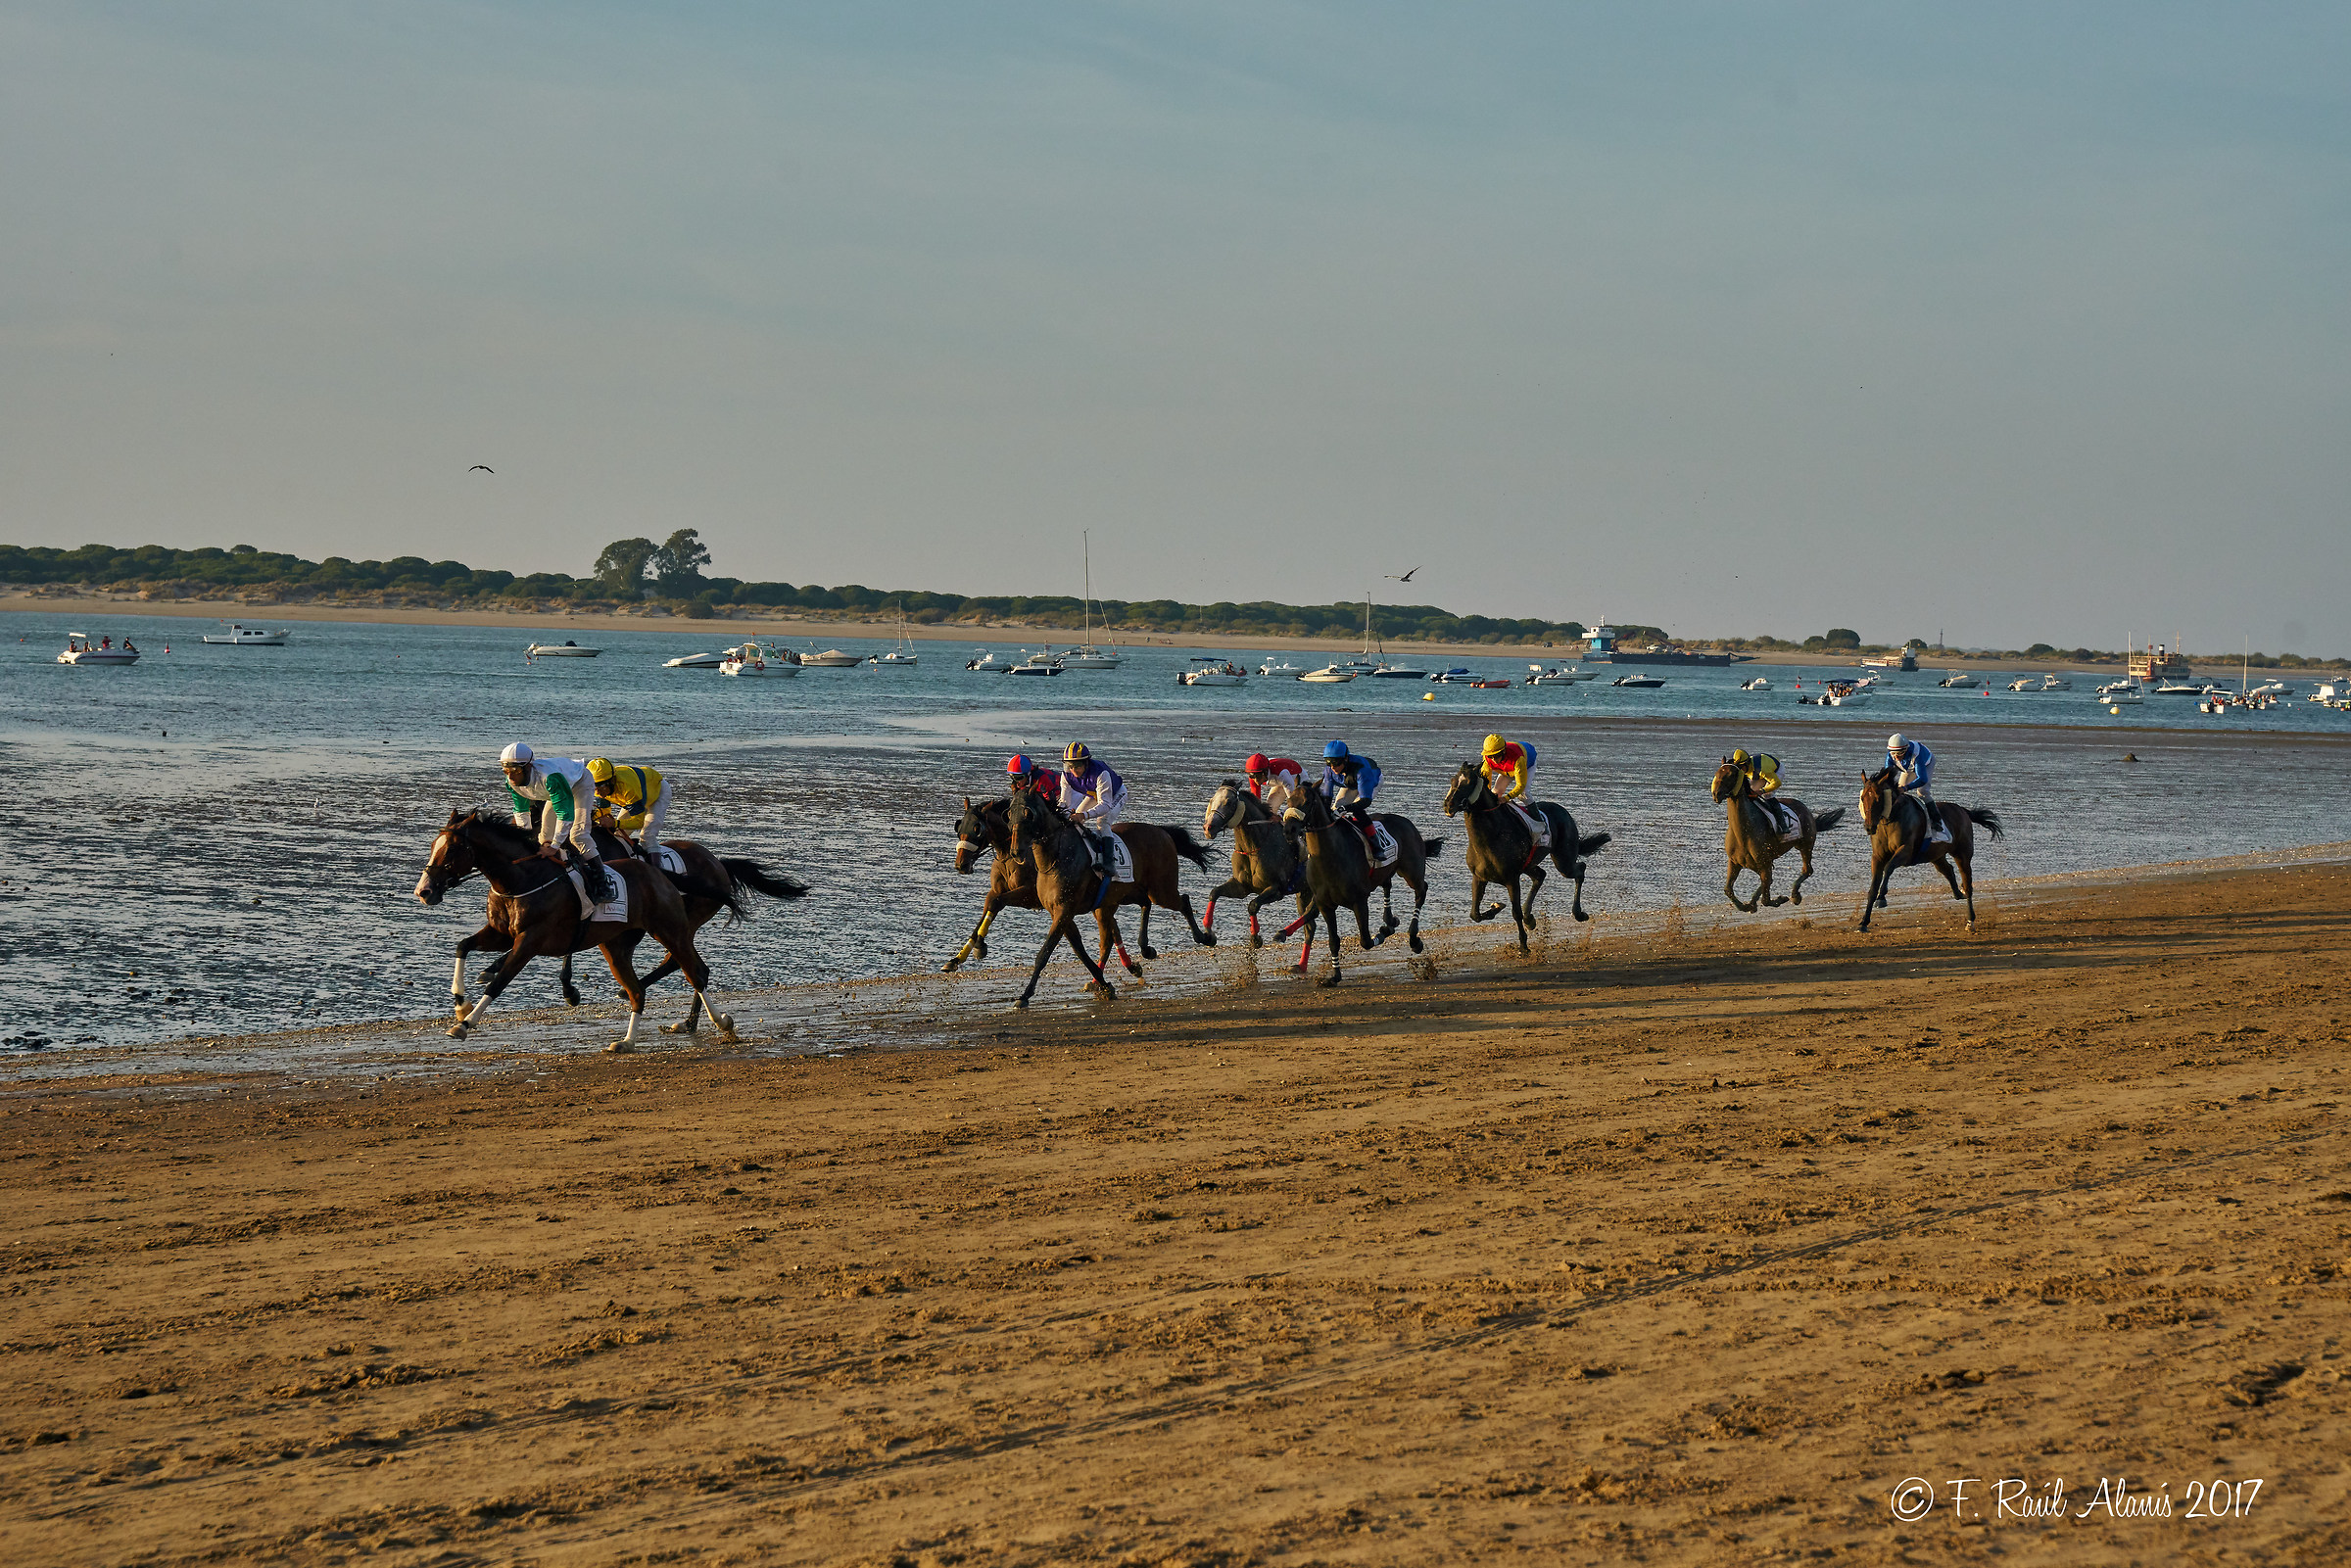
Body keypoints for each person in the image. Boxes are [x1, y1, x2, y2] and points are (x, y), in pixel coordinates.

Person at [500, 742, 615, 902]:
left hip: (580, 783)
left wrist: (554, 847)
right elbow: (522, 814)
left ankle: (603, 885)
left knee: (578, 835)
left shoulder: (550, 778)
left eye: (516, 770)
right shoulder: (511, 783)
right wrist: (525, 843)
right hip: (556, 790)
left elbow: (565, 815)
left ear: (528, 767)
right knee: (542, 837)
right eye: (506, 770)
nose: (511, 776)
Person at [585, 757, 667, 855]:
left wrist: (613, 823)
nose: (598, 792)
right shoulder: (600, 787)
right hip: (637, 798)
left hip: (657, 792)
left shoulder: (628, 788)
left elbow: (638, 822)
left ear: (611, 781)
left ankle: (657, 869)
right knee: (618, 835)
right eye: (595, 787)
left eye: (601, 787)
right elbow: (605, 810)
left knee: (647, 836)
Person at [1480, 733, 1548, 837]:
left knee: (1524, 794)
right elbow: (1486, 780)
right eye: (1490, 756)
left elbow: (1520, 786)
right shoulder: (1487, 759)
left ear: (1503, 751)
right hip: (1506, 769)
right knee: (1495, 793)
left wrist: (1506, 798)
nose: (1493, 760)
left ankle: (1542, 826)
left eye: (1496, 756)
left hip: (1526, 764)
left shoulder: (1518, 759)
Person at [1056, 741, 1127, 831]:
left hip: (1116, 793)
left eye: (1077, 765)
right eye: (1069, 765)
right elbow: (1065, 802)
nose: (1073, 770)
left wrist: (1084, 815)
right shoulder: (1066, 776)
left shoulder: (1101, 774)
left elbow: (1105, 804)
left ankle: (1108, 844)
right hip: (1094, 795)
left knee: (1103, 822)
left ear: (1086, 763)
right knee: (1074, 821)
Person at [1885, 733, 1941, 832]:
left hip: (1926, 764)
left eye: (1900, 753)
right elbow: (1887, 776)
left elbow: (1922, 779)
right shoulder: (1890, 755)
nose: (1896, 757)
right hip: (1909, 768)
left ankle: (1936, 820)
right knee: (1897, 789)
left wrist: (1906, 788)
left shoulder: (1917, 755)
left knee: (1922, 792)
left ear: (1906, 750)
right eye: (1893, 753)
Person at [1243, 752, 1307, 813]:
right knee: (1270, 810)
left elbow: (1294, 802)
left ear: (1265, 772)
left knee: (1299, 808)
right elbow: (1257, 802)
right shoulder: (1254, 775)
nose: (1255, 780)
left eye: (1258, 776)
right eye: (1252, 776)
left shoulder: (1282, 774)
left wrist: (1280, 816)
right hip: (1278, 781)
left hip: (1297, 778)